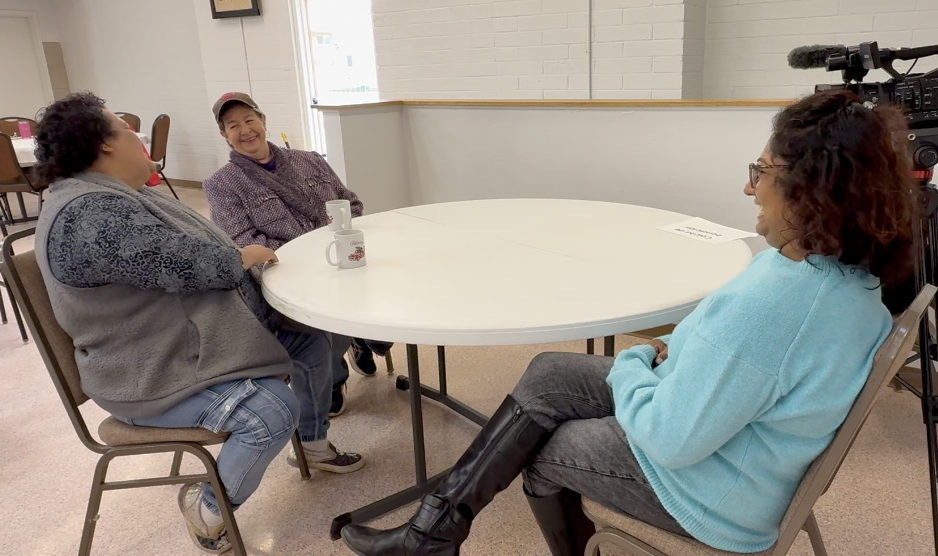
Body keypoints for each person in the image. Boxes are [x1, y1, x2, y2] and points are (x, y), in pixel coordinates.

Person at [339, 89, 919, 556]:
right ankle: (430, 537)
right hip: (739, 445)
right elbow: (725, 352)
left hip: (713, 490)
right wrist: (669, 353)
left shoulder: (778, 307)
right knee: (547, 373)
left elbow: (671, 438)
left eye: (761, 170)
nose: (748, 186)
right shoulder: (842, 275)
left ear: (811, 186)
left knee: (543, 447)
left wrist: (638, 361)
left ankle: (431, 539)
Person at [31, 93, 364, 554]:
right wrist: (242, 257)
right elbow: (196, 266)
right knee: (271, 411)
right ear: (103, 144)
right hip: (147, 370)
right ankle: (208, 508)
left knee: (307, 343)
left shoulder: (113, 197)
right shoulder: (90, 214)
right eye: (126, 129)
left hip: (179, 340)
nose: (136, 136)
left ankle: (314, 445)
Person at [201, 92, 393, 416]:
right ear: (224, 135)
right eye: (233, 125)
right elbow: (243, 240)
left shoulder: (310, 160)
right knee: (321, 320)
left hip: (341, 255)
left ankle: (365, 336)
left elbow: (352, 202)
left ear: (263, 122)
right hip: (290, 272)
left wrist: (347, 230)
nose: (245, 130)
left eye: (250, 120)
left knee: (388, 285)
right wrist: (307, 256)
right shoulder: (222, 184)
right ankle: (333, 379)